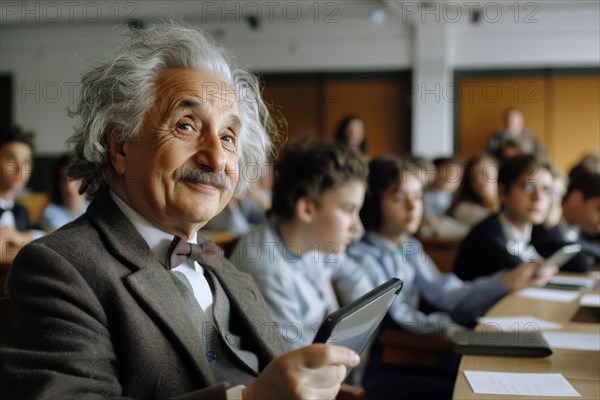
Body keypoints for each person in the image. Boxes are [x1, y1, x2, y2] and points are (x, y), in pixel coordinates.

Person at [0, 23, 360, 400]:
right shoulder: (57, 268)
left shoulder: (227, 268)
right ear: (121, 146)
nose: (217, 158)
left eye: (227, 137)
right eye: (186, 126)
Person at [347, 155, 554, 400]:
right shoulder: (363, 257)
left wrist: (505, 281)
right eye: (399, 198)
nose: (413, 207)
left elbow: (445, 292)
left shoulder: (408, 244)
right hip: (385, 363)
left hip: (416, 351)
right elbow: (399, 318)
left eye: (417, 197)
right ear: (373, 202)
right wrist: (449, 328)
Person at [230, 139, 373, 349]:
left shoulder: (318, 241)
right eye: (347, 210)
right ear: (307, 209)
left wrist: (360, 322)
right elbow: (298, 367)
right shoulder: (266, 272)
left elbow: (355, 277)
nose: (358, 227)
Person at [454, 155, 555, 281]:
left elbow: (577, 261)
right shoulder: (486, 235)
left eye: (547, 190)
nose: (539, 197)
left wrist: (552, 225)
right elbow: (522, 272)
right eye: (528, 187)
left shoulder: (533, 231)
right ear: (502, 192)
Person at [532, 170, 600, 272]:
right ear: (576, 199)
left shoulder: (582, 230)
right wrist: (551, 227)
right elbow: (579, 262)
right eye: (599, 209)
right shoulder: (540, 226)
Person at [0, 127, 44, 264]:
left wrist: (18, 237)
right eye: (12, 159)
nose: (20, 169)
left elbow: (45, 237)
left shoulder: (22, 210)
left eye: (26, 162)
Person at [38, 153, 90, 233]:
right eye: (63, 180)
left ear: (87, 180)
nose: (69, 188)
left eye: (75, 178)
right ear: (56, 184)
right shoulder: (50, 214)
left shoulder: (96, 210)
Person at [447, 154, 499, 228]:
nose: (479, 180)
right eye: (474, 178)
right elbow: (495, 224)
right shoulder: (464, 209)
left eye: (485, 174)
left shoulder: (509, 205)